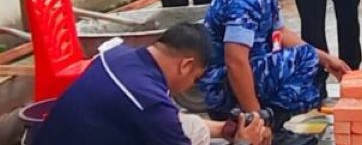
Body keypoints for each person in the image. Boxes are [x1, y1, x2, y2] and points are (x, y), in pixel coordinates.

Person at [199, 0, 352, 124]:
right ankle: (259, 120)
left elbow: (279, 31)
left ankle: (272, 121)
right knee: (303, 62)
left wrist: (327, 60)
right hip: (223, 86)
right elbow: (235, 62)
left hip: (250, 68)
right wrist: (255, 119)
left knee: (310, 77)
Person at [38, 22, 267, 145]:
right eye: (195, 79)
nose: (190, 86)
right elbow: (161, 117)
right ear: (186, 65)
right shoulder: (148, 101)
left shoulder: (119, 55)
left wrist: (226, 129)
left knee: (185, 126)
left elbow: (172, 122)